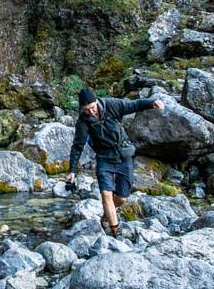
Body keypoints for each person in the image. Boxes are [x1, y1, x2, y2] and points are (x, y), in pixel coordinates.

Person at [64, 87, 164, 237]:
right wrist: (72, 170)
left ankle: (107, 213)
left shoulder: (112, 105)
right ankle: (114, 232)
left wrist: (152, 103)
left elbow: (134, 105)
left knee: (122, 198)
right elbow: (77, 146)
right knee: (106, 194)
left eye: (92, 108)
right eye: (86, 110)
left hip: (123, 154)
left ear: (96, 101)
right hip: (104, 157)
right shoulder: (82, 122)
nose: (91, 112)